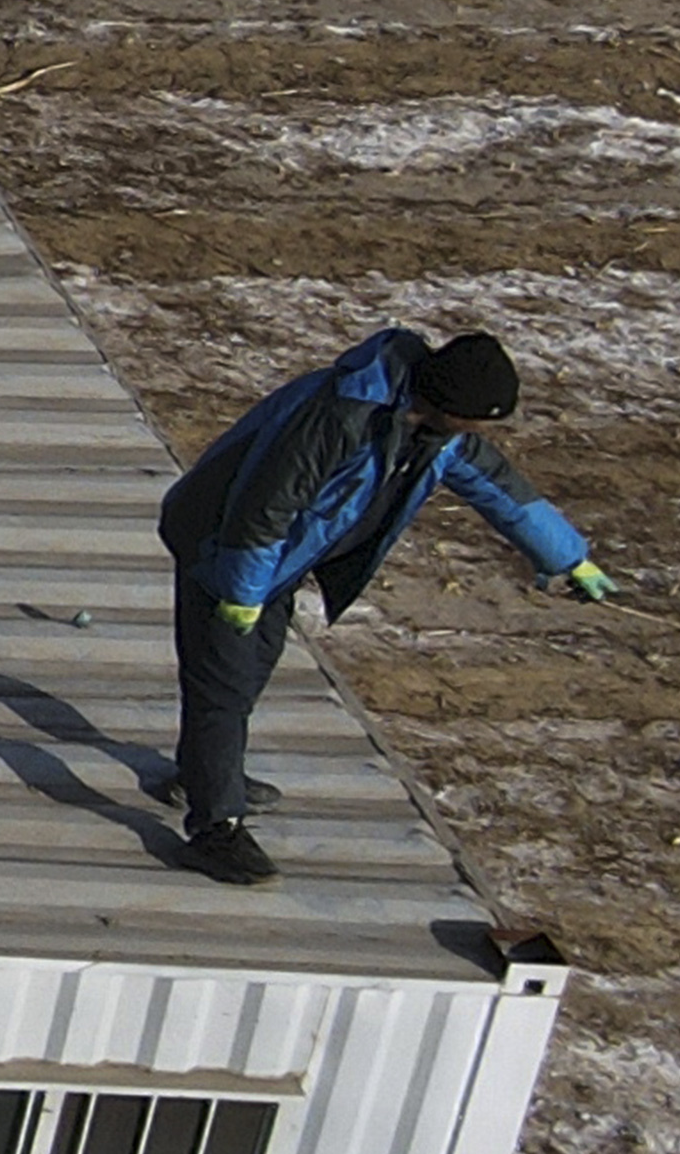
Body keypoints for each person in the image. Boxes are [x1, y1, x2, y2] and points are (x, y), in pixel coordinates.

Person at [154, 324, 612, 887]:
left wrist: (567, 559)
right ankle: (214, 827)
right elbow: (265, 503)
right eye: (481, 421)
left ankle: (202, 772)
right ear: (449, 406)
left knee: (250, 669)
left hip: (276, 561)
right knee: (221, 681)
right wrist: (242, 592)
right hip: (221, 546)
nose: (484, 434)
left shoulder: (432, 432)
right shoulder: (342, 415)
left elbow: (498, 487)